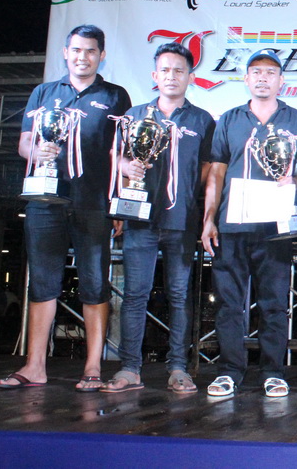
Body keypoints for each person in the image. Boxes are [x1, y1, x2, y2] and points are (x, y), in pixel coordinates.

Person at [0, 24, 130, 391]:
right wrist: (37, 151)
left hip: (93, 203)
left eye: (90, 51)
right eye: (76, 50)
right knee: (42, 282)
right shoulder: (44, 93)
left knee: (95, 283)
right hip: (45, 201)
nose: (82, 57)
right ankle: (34, 366)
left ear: (101, 55)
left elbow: (120, 152)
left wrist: (119, 202)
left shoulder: (115, 96)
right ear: (65, 53)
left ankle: (92, 367)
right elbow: (24, 142)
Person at [202, 49, 297, 398]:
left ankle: (273, 372)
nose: (263, 77)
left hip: (275, 226)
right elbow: (216, 172)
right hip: (233, 224)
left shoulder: (296, 120)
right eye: (256, 71)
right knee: (229, 303)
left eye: (270, 72)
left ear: (282, 80)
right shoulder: (229, 119)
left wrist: (294, 180)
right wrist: (209, 219)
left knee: (274, 303)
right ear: (246, 78)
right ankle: (229, 371)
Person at [101, 42, 215, 394]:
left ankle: (178, 367)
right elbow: (116, 157)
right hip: (139, 219)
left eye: (179, 70)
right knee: (135, 295)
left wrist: (192, 197)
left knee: (180, 295)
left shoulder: (202, 120)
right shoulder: (134, 115)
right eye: (165, 70)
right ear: (155, 75)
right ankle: (130, 368)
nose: (171, 76)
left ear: (190, 77)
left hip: (181, 220)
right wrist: (126, 169)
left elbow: (209, 168)